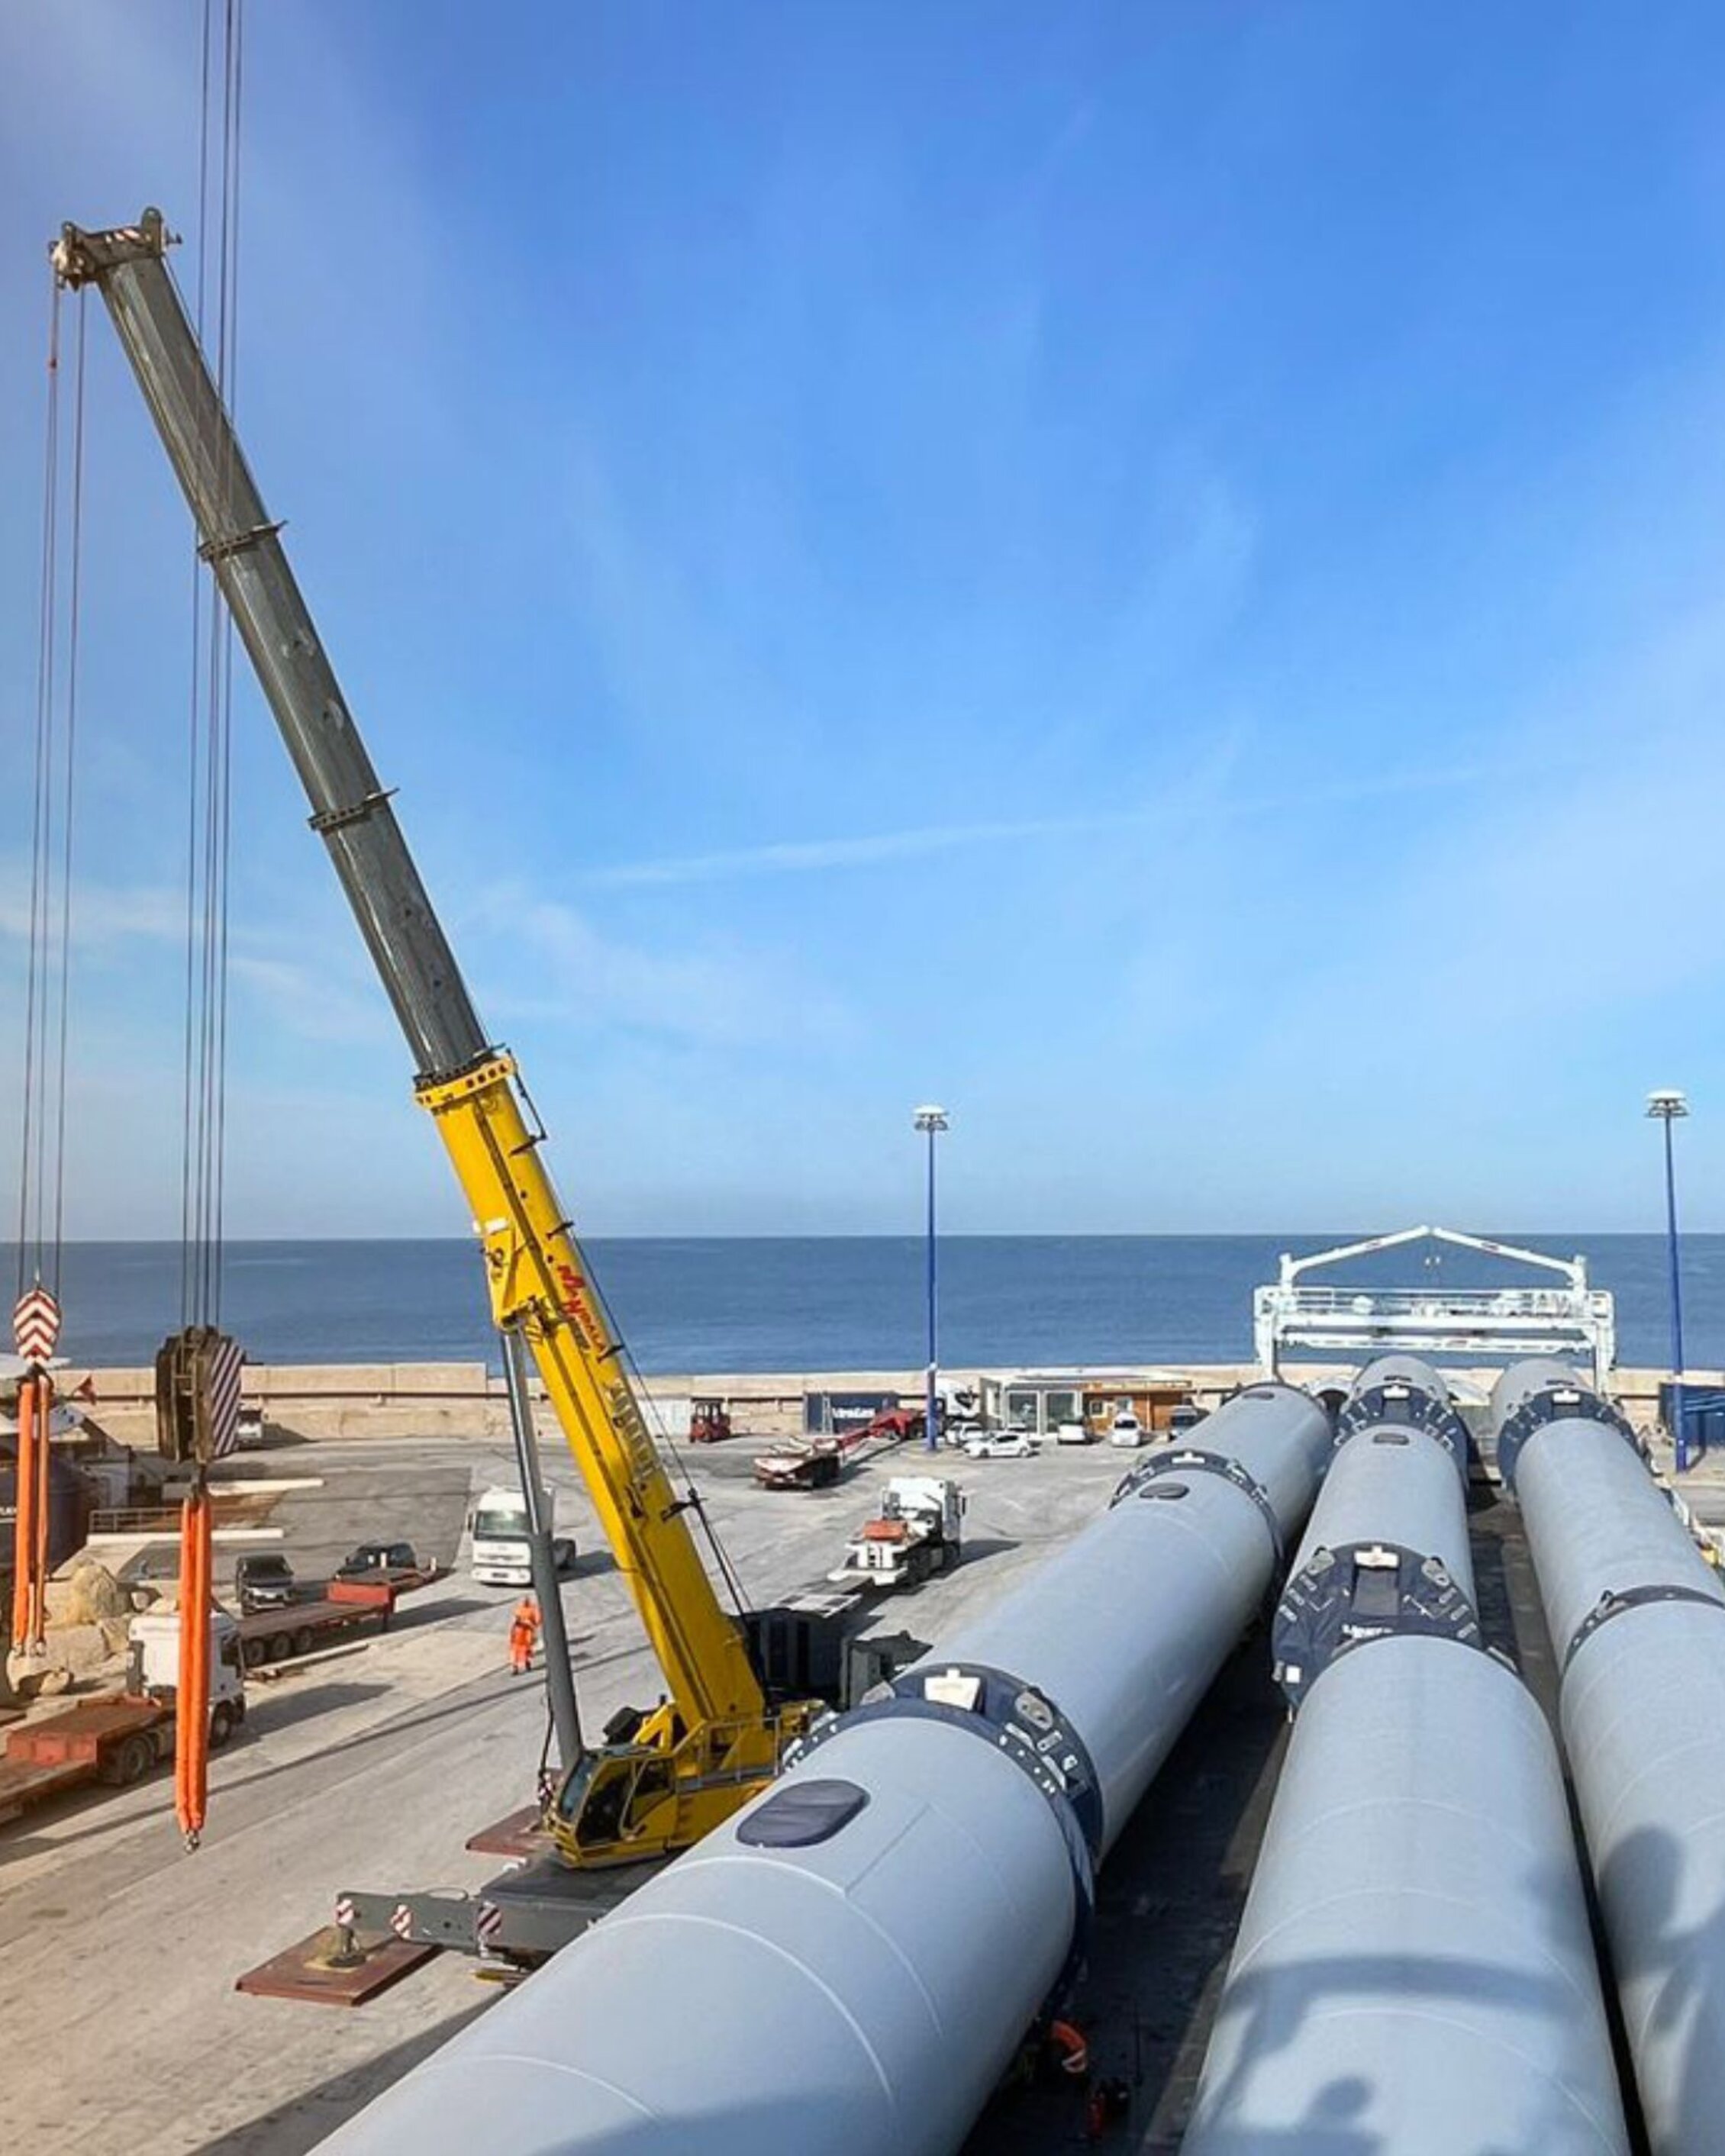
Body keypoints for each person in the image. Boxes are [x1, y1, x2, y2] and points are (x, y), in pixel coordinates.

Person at [508, 1594, 541, 1675]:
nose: (524, 1602)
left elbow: (537, 1621)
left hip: (527, 1633)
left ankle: (526, 1662)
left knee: (526, 1649)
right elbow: (514, 1621)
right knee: (515, 1651)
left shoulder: (533, 1609)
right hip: (518, 1632)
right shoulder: (519, 1609)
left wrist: (531, 1625)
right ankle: (515, 1667)